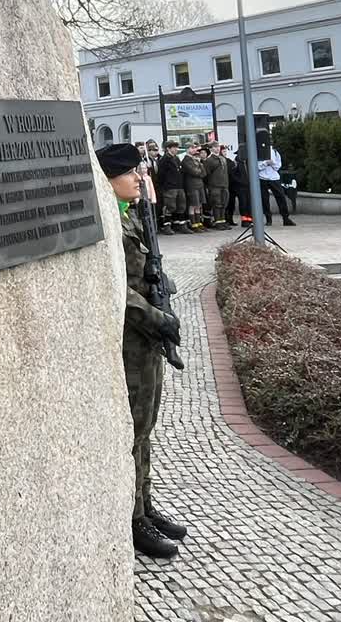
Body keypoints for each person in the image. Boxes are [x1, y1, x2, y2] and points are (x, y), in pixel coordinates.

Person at [96, 142, 187, 560]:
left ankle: (145, 504)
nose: (138, 179)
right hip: (132, 339)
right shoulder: (109, 222)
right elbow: (118, 290)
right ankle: (133, 519)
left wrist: (162, 285)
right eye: (130, 172)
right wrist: (156, 318)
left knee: (146, 428)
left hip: (147, 340)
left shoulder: (130, 216)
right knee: (133, 430)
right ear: (109, 178)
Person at [256, 137, 296, 226]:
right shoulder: (259, 152)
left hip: (274, 178)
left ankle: (285, 218)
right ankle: (268, 219)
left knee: (281, 197)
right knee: (264, 199)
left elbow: (278, 166)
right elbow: (257, 166)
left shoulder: (275, 152)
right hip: (262, 178)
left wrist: (272, 164)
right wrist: (266, 163)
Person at [154, 139, 189, 235]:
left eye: (176, 147)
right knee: (170, 207)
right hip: (169, 187)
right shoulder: (164, 160)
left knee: (181, 206)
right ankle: (167, 226)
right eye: (174, 147)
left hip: (179, 186)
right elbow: (161, 175)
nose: (176, 149)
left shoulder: (176, 158)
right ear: (168, 149)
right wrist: (164, 186)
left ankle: (181, 225)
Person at [203, 142, 231, 229]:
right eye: (215, 147)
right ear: (211, 149)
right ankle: (218, 222)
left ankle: (223, 221)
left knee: (224, 203)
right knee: (217, 204)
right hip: (214, 186)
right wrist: (209, 186)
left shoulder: (222, 159)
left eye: (218, 146)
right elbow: (206, 174)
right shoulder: (209, 160)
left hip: (224, 185)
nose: (217, 148)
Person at [181, 144, 208, 233]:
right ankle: (193, 224)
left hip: (199, 184)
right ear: (187, 149)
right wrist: (199, 170)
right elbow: (194, 172)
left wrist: (199, 168)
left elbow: (204, 173)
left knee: (199, 205)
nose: (194, 150)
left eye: (195, 148)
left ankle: (198, 222)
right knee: (193, 205)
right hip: (191, 185)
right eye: (192, 148)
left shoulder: (195, 160)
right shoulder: (186, 160)